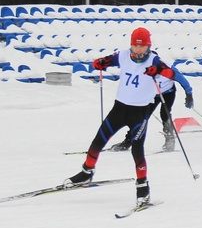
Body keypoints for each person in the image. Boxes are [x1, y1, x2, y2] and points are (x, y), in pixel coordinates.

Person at [66, 27, 174, 205]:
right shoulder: (123, 55)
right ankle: (86, 173)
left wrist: (158, 71)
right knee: (98, 141)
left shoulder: (154, 60)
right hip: (119, 109)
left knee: (137, 150)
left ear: (148, 46)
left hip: (139, 113)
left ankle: (143, 188)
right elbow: (105, 61)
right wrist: (99, 63)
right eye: (135, 46)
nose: (138, 50)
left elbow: (172, 74)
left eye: (142, 46)